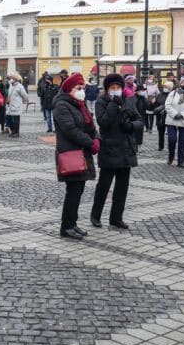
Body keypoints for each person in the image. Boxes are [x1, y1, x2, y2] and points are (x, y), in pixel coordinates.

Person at [90, 73, 140, 230]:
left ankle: (116, 217)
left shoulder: (128, 100)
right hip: (110, 149)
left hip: (126, 149)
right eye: (113, 88)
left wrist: (131, 126)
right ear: (107, 89)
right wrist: (113, 104)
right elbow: (103, 122)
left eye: (118, 87)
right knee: (104, 185)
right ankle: (95, 215)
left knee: (122, 187)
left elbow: (139, 120)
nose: (116, 90)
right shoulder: (101, 101)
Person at [53, 72, 98, 240]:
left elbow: (89, 125)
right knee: (73, 191)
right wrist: (90, 143)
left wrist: (96, 138)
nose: (82, 91)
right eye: (79, 88)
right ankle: (66, 226)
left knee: (79, 190)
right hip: (70, 152)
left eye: (83, 88)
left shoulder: (78, 104)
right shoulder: (61, 105)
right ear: (69, 88)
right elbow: (71, 130)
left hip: (82, 152)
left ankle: (73, 223)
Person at [164, 76, 184, 167]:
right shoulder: (173, 93)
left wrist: (182, 114)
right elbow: (167, 105)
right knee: (172, 139)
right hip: (172, 120)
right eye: (183, 83)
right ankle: (170, 157)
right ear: (180, 83)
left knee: (183, 142)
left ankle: (180, 161)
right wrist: (174, 114)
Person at [6, 73, 28, 138]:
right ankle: (13, 131)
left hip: (16, 105)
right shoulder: (11, 85)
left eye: (12, 78)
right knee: (10, 119)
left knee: (16, 120)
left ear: (15, 79)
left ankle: (16, 132)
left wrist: (24, 101)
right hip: (10, 105)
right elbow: (9, 94)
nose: (11, 79)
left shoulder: (20, 86)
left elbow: (24, 95)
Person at [152, 82, 172, 150]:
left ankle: (171, 146)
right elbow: (155, 104)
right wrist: (154, 103)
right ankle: (161, 146)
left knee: (170, 133)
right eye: (164, 87)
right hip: (160, 116)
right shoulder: (159, 95)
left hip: (168, 116)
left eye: (166, 87)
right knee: (160, 132)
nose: (165, 88)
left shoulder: (172, 95)